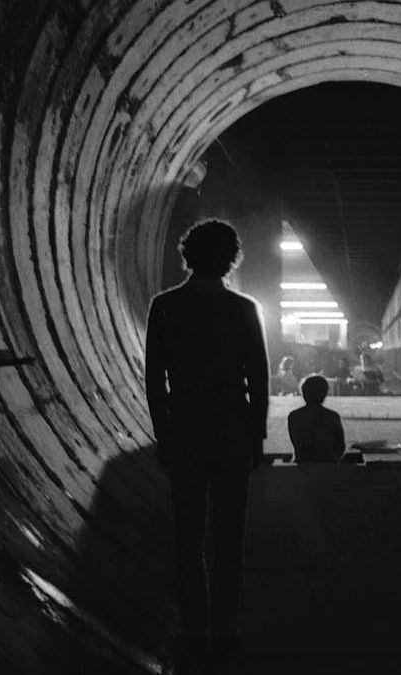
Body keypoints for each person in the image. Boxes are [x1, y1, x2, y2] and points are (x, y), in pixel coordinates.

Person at [144, 219, 269, 670]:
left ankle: (194, 630)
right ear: (231, 259)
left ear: (187, 255)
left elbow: (154, 379)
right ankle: (226, 632)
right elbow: (258, 376)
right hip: (233, 434)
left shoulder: (165, 307)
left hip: (187, 436)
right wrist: (257, 434)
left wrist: (164, 432)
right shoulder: (243, 309)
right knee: (229, 538)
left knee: (188, 535)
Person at [287, 375, 346, 463]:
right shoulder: (332, 416)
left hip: (302, 465)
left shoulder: (294, 416)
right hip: (328, 465)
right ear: (324, 393)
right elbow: (340, 447)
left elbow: (297, 444)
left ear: (304, 393)